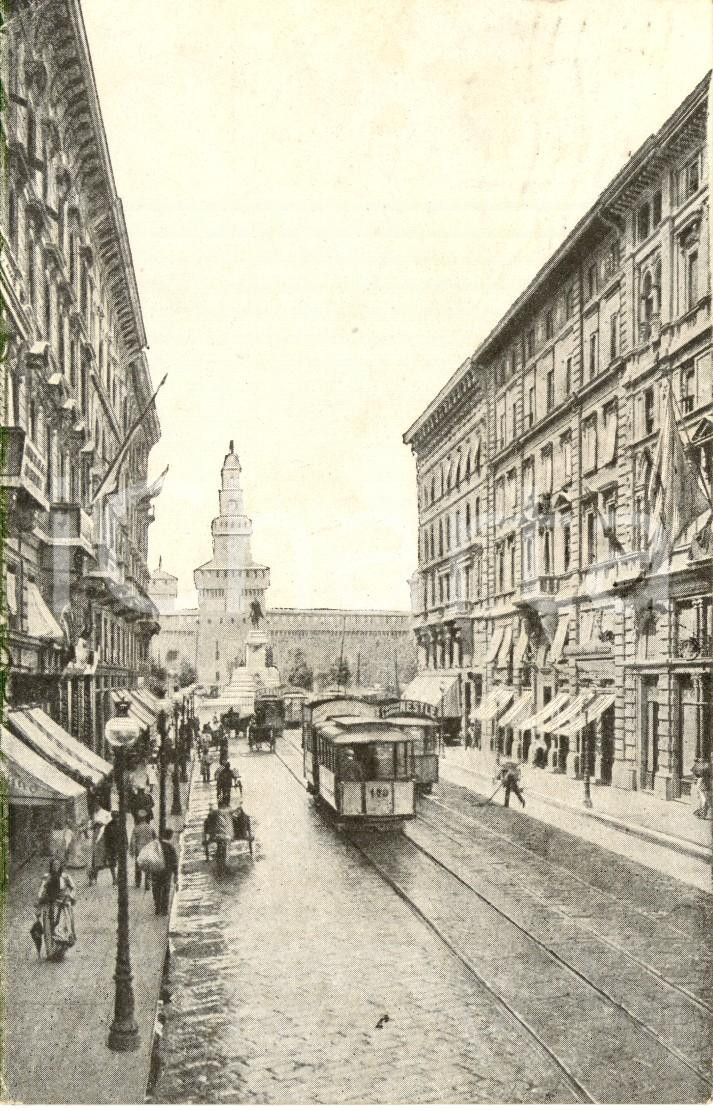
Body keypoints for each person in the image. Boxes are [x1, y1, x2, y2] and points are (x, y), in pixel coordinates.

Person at [35, 859, 76, 960]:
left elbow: (73, 888)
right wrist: (41, 899)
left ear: (60, 866)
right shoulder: (46, 877)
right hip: (48, 905)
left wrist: (69, 896)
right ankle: (50, 953)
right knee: (47, 928)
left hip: (61, 905)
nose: (55, 867)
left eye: (57, 865)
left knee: (61, 928)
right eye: (53, 865)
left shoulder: (65, 877)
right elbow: (41, 890)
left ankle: (60, 952)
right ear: (51, 866)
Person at [151, 832, 178, 915]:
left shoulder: (154, 847)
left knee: (156, 889)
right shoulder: (170, 847)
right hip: (167, 872)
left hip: (156, 871)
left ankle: (157, 907)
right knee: (166, 890)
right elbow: (174, 861)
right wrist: (176, 874)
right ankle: (164, 909)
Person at [129, 811, 156, 890]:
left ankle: (138, 882)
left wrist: (132, 851)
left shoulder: (136, 828)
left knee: (138, 866)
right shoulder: (150, 828)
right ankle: (147, 884)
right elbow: (155, 839)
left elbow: (133, 841)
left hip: (139, 850)